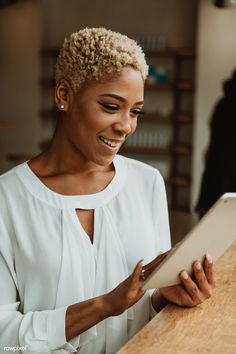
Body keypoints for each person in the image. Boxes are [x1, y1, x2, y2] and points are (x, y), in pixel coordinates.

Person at [0, 27, 215, 354]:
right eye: (111, 106)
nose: (126, 126)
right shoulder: (8, 198)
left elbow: (147, 306)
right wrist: (104, 305)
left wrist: (166, 298)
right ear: (64, 96)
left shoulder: (147, 183)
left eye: (135, 111)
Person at [195, 70, 236, 218]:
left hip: (216, 159)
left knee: (210, 213)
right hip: (230, 167)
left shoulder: (222, 102)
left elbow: (210, 123)